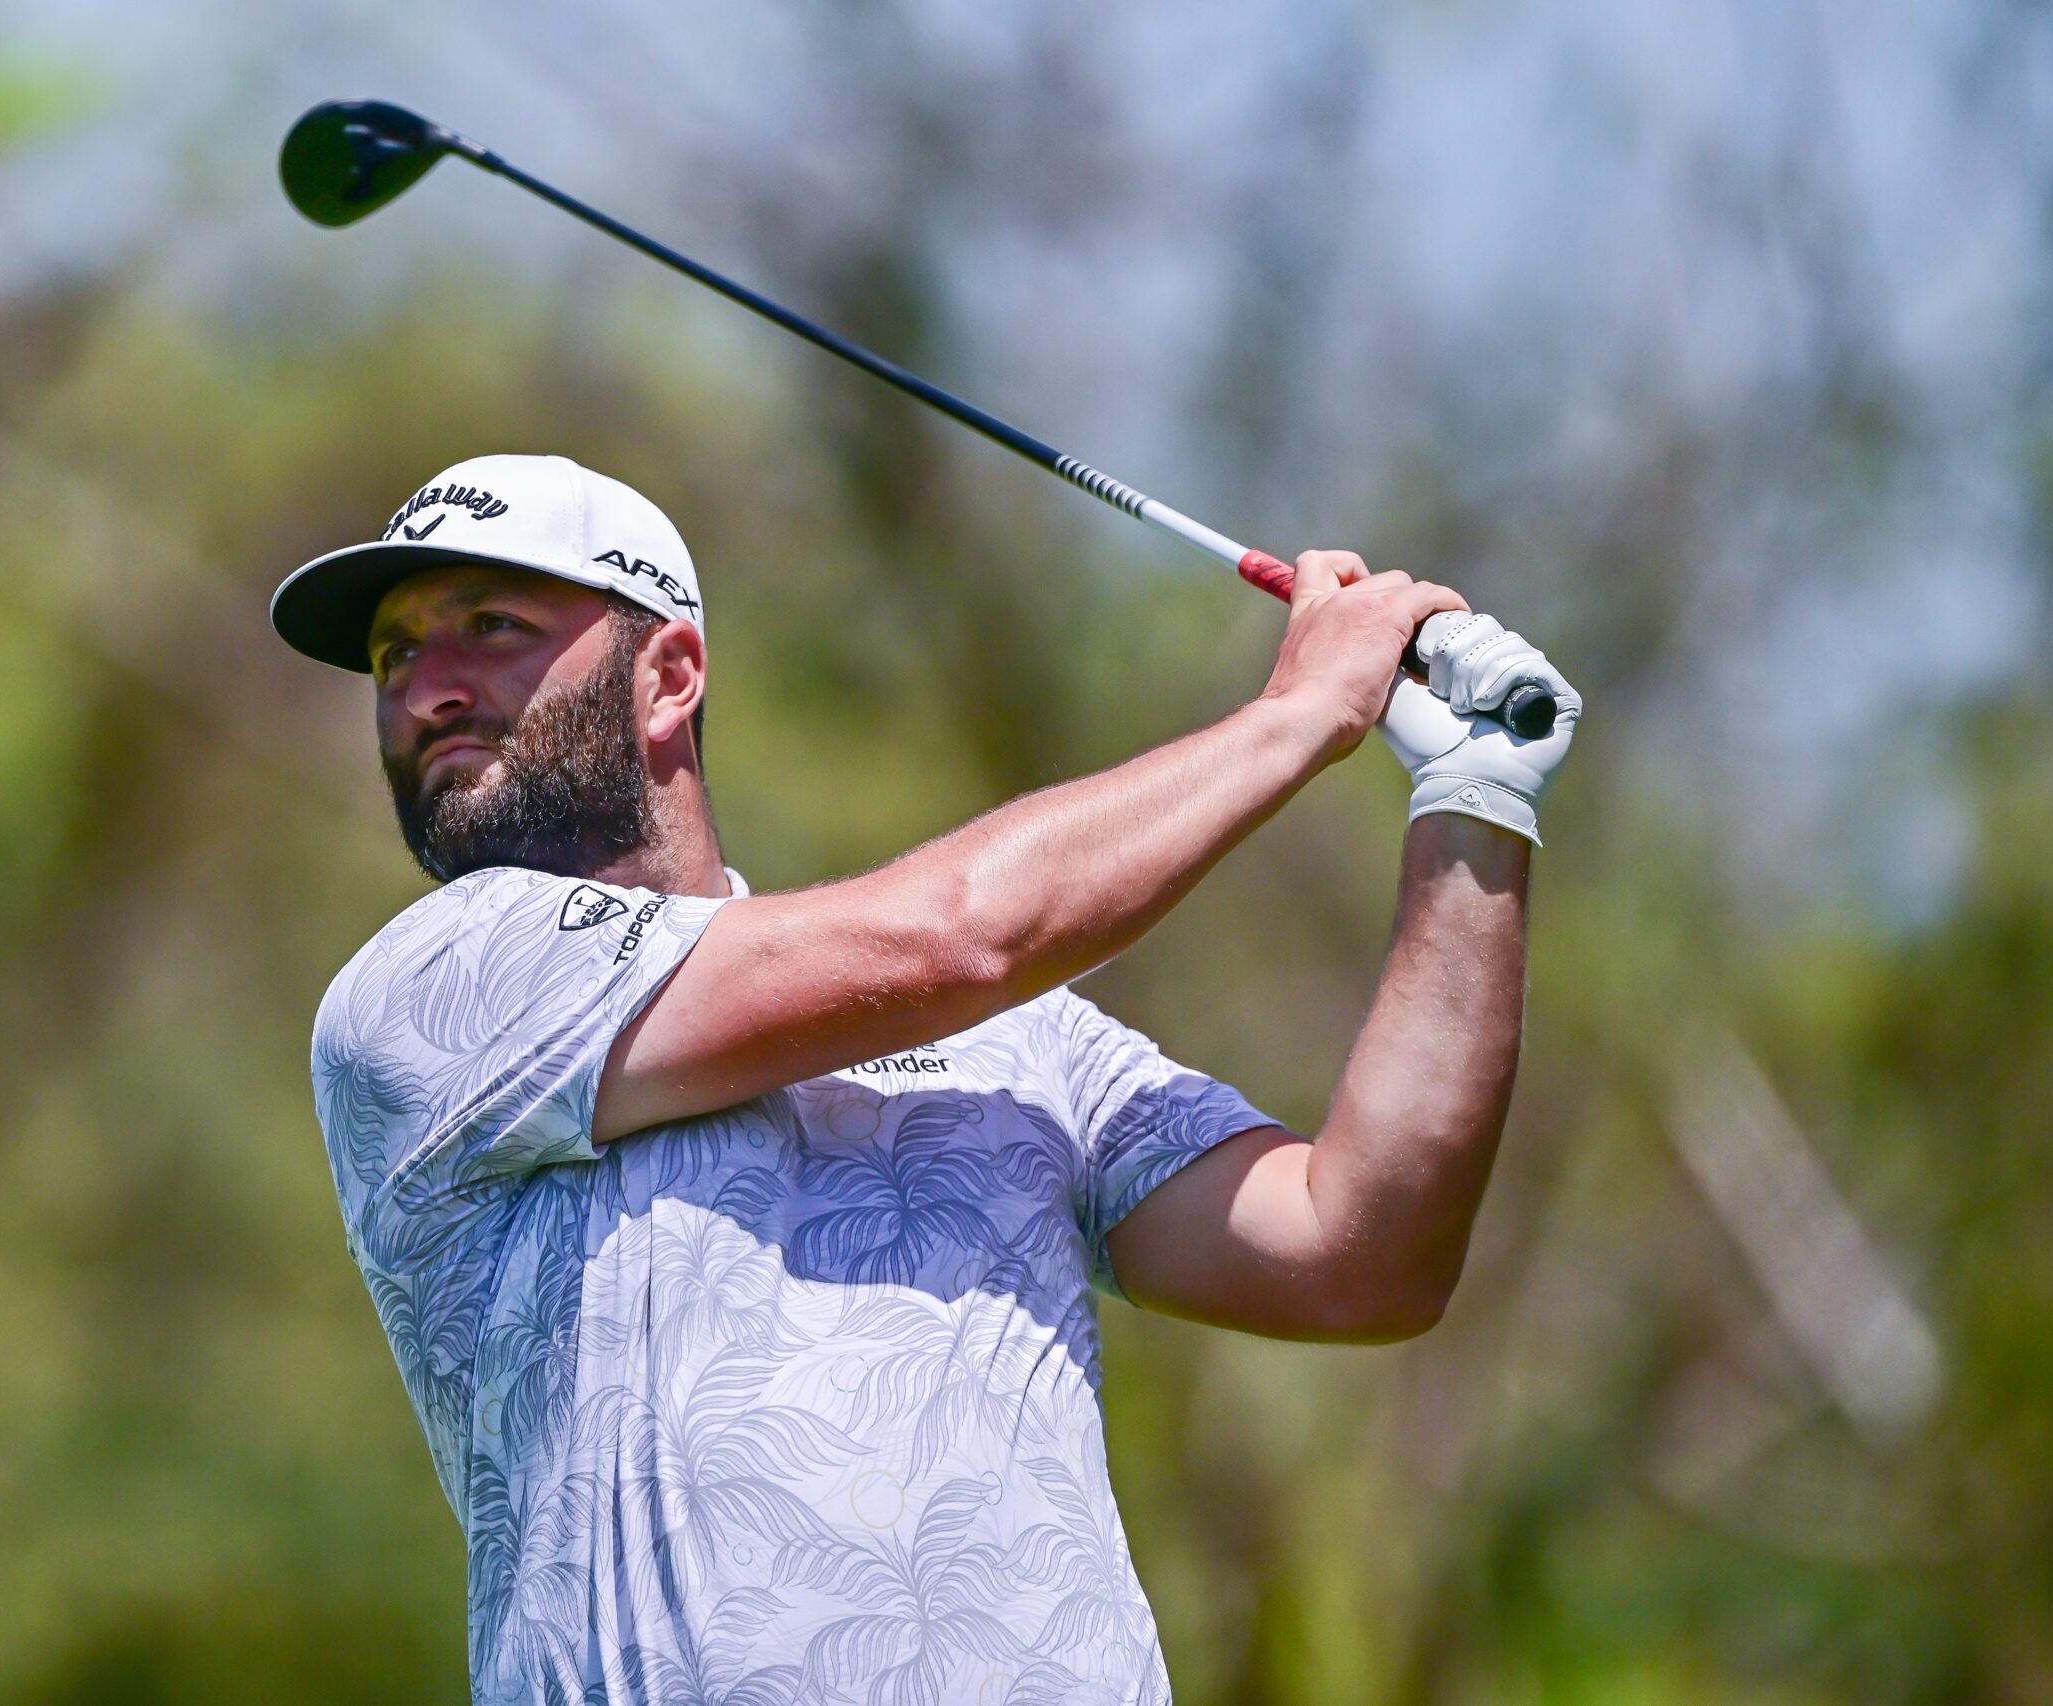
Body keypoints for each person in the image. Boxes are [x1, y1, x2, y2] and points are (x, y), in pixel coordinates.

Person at [270, 452, 1582, 1705]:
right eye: (395, 654)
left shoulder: (1022, 1040)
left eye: (489, 625)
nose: (425, 685)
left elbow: (1359, 1251)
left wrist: (1476, 802)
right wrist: (1298, 715)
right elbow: (964, 932)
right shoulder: (437, 992)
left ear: (669, 676)